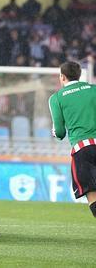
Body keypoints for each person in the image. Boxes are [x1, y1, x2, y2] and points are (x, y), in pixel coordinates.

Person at [49, 61, 96, 217]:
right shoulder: (93, 89)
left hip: (83, 149)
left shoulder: (57, 98)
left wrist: (55, 132)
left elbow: (60, 132)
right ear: (80, 74)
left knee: (93, 196)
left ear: (62, 77)